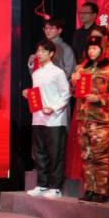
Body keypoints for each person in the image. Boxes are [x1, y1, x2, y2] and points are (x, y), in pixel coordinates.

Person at [71, 36, 109, 203]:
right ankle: (90, 190)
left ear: (102, 50)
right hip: (84, 119)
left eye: (95, 48)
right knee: (86, 156)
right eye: (89, 48)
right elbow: (75, 93)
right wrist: (73, 81)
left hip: (101, 120)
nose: (91, 51)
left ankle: (101, 191)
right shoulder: (83, 69)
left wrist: (99, 98)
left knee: (100, 157)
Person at [24, 39, 71, 198]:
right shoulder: (36, 73)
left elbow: (66, 94)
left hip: (55, 119)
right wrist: (28, 94)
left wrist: (54, 108)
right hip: (38, 117)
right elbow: (37, 94)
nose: (39, 54)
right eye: (38, 51)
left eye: (43, 51)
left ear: (51, 54)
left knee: (55, 153)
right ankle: (42, 184)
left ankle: (55, 187)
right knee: (40, 153)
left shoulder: (58, 72)